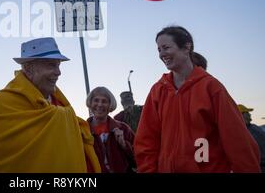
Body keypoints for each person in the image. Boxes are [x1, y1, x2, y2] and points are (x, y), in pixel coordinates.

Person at [134, 26, 260, 173]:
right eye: (159, 50)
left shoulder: (212, 87)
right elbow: (146, 140)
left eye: (166, 47)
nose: (162, 54)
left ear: (187, 47)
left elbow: (237, 139)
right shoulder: (157, 91)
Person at [0, 37, 100, 172]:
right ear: (29, 68)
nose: (59, 72)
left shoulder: (60, 103)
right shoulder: (4, 103)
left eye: (58, 65)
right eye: (51, 65)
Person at [86, 86, 135, 173]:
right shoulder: (82, 131)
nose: (100, 104)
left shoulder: (123, 128)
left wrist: (124, 145)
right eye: (96, 100)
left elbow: (138, 159)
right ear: (90, 103)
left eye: (104, 101)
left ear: (110, 105)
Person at [238, 104, 265, 172]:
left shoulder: (254, 126)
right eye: (247, 112)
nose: (250, 114)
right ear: (242, 115)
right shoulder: (239, 131)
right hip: (258, 166)